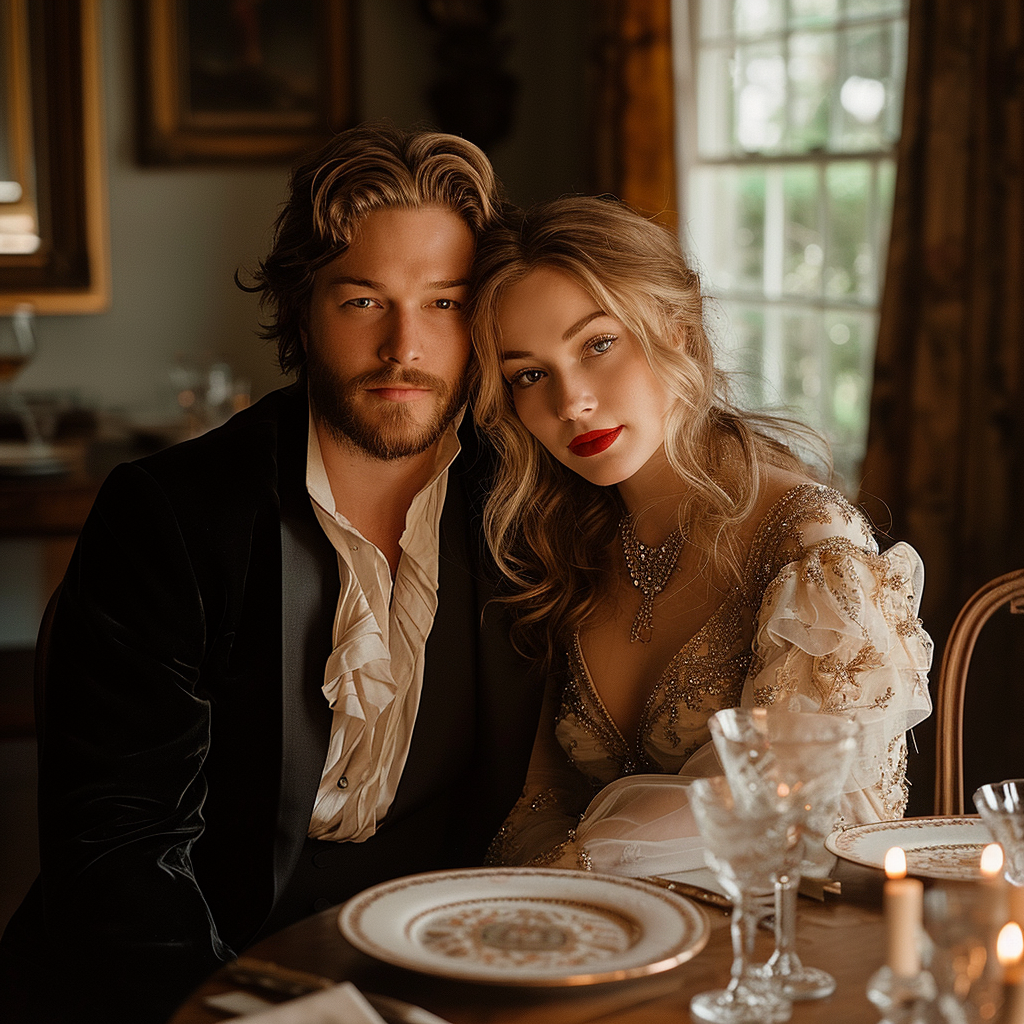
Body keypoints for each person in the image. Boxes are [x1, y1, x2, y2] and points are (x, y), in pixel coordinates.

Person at [0, 124, 543, 1023]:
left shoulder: (522, 504)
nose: (403, 346)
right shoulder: (170, 514)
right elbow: (120, 851)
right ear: (300, 308)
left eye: (443, 303)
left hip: (420, 969)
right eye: (363, 301)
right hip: (179, 978)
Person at [467, 195, 934, 875]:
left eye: (598, 344)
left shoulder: (810, 545)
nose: (571, 402)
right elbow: (541, 791)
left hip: (778, 953)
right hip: (601, 942)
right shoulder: (564, 540)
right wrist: (551, 886)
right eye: (529, 375)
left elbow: (796, 815)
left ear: (678, 330)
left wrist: (580, 864)